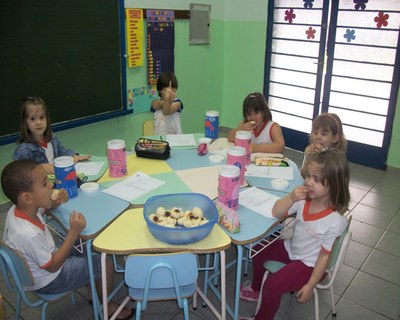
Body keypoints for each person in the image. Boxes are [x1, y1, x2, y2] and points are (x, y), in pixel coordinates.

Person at [1, 159, 133, 319]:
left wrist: (56, 202)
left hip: (43, 265)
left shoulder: (20, 210)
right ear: (27, 198)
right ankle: (108, 307)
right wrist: (73, 233)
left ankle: (93, 289)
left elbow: (46, 208)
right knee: (105, 264)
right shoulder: (28, 234)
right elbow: (53, 266)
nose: (51, 185)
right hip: (50, 279)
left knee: (83, 244)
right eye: (45, 184)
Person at [239, 149, 350, 320]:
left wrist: (311, 284)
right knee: (258, 250)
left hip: (310, 265)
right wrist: (291, 198)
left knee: (272, 286)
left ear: (334, 185)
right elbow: (276, 212)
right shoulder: (303, 200)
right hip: (292, 248)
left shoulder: (335, 221)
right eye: (308, 176)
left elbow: (323, 257)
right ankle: (255, 289)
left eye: (316, 179)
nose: (308, 182)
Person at [13, 96, 90, 174]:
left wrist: (73, 156)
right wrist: (41, 167)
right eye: (33, 119)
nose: (38, 123)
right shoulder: (24, 150)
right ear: (25, 123)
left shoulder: (51, 137)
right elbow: (20, 172)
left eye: (41, 117)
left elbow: (61, 151)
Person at [301, 112, 347, 178]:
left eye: (324, 134)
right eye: (315, 133)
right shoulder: (313, 151)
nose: (318, 137)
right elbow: (304, 175)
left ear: (335, 138)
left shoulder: (336, 160)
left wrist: (320, 157)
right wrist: (307, 157)